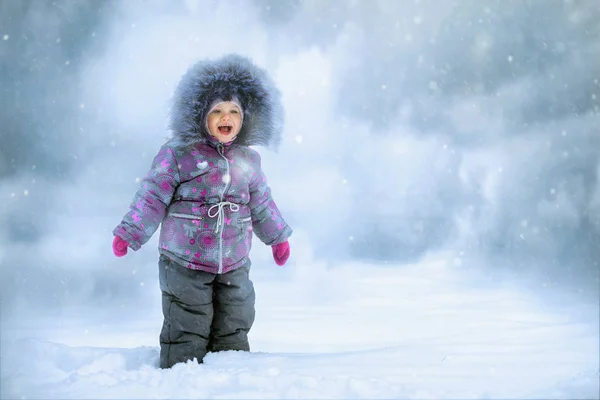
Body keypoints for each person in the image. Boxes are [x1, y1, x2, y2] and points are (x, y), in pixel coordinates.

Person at [111, 54, 292, 368]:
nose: (226, 117)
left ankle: (229, 370)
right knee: (188, 317)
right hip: (185, 259)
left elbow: (262, 203)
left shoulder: (248, 160)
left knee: (235, 316)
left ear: (245, 117)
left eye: (234, 111)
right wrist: (130, 231)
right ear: (199, 116)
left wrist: (277, 238)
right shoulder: (178, 155)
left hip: (234, 260)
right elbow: (152, 196)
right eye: (217, 111)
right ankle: (181, 372)